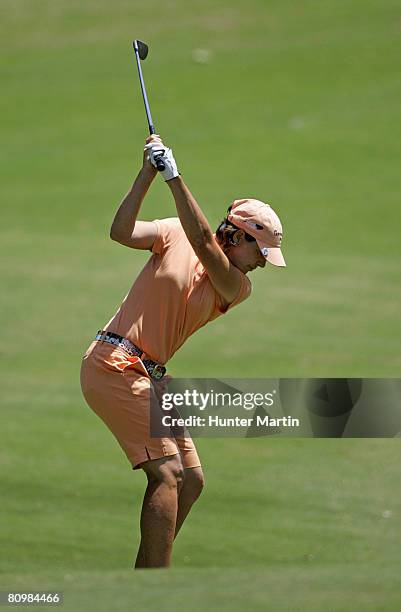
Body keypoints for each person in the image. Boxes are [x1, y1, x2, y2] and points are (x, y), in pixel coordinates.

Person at [80, 134, 286, 569]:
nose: (263, 262)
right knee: (169, 473)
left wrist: (175, 179)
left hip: (147, 373)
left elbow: (206, 247)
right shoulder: (174, 232)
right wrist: (147, 175)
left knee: (191, 480)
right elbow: (121, 232)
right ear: (236, 234)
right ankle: (153, 587)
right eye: (260, 250)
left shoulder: (235, 285)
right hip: (114, 365)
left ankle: (145, 575)